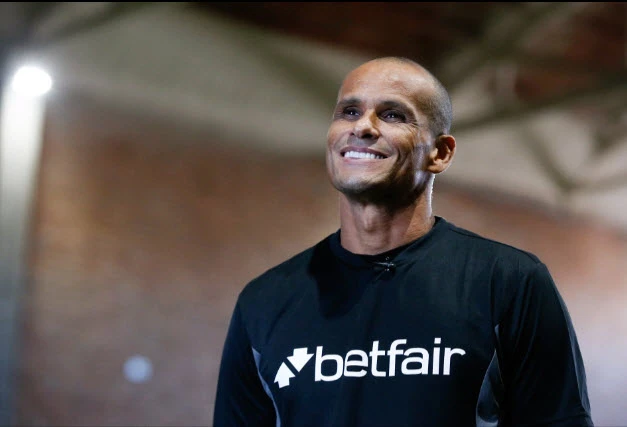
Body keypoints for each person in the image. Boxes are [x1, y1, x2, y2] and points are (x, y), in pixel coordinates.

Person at [213, 56, 593, 426]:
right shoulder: (264, 301)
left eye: (393, 115)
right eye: (349, 111)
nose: (362, 127)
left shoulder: (509, 283)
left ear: (440, 153)